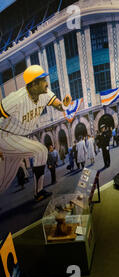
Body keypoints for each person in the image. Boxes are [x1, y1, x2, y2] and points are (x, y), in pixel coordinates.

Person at [0, 65, 71, 201]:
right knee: (41, 150)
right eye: (43, 80)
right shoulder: (16, 99)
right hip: (4, 135)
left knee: (4, 182)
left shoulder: (44, 94)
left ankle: (37, 191)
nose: (46, 83)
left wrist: (65, 104)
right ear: (33, 84)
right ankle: (38, 192)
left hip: (18, 138)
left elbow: (59, 105)